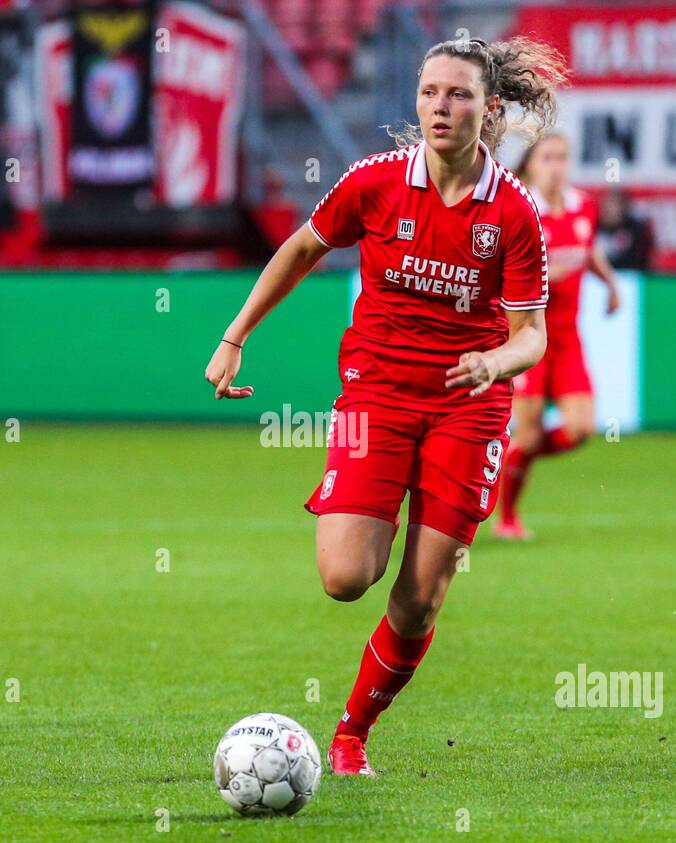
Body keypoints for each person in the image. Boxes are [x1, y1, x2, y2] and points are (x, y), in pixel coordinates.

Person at [204, 37, 564, 775]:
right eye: (430, 91)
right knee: (344, 578)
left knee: (420, 598)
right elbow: (302, 248)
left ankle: (350, 734)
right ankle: (383, 504)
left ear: (488, 109)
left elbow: (533, 339)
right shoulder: (374, 182)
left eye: (459, 94)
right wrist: (236, 334)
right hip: (378, 395)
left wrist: (493, 361)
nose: (441, 106)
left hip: (469, 406)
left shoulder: (515, 213)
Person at [496, 131, 621, 540]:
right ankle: (507, 517)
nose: (556, 166)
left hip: (567, 338)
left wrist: (610, 283)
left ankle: (504, 462)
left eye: (563, 157)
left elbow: (587, 249)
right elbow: (499, 273)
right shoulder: (519, 207)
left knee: (581, 427)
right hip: (528, 336)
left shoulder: (583, 205)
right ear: (531, 164)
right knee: (528, 430)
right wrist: (545, 277)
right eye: (548, 157)